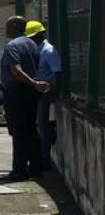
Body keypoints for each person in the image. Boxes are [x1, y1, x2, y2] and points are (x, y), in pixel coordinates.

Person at [0, 16, 49, 181]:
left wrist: (33, 83)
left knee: (18, 131)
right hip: (30, 93)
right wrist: (34, 85)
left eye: (7, 26)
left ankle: (19, 170)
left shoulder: (12, 46)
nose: (5, 30)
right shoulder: (31, 44)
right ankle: (35, 167)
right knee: (30, 129)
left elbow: (16, 70)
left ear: (14, 26)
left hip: (17, 92)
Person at [30, 21, 61, 169]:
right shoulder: (36, 49)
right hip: (38, 91)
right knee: (40, 125)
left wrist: (54, 94)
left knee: (43, 126)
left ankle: (45, 159)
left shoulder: (48, 50)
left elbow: (57, 73)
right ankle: (42, 156)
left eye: (32, 36)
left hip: (47, 92)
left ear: (40, 35)